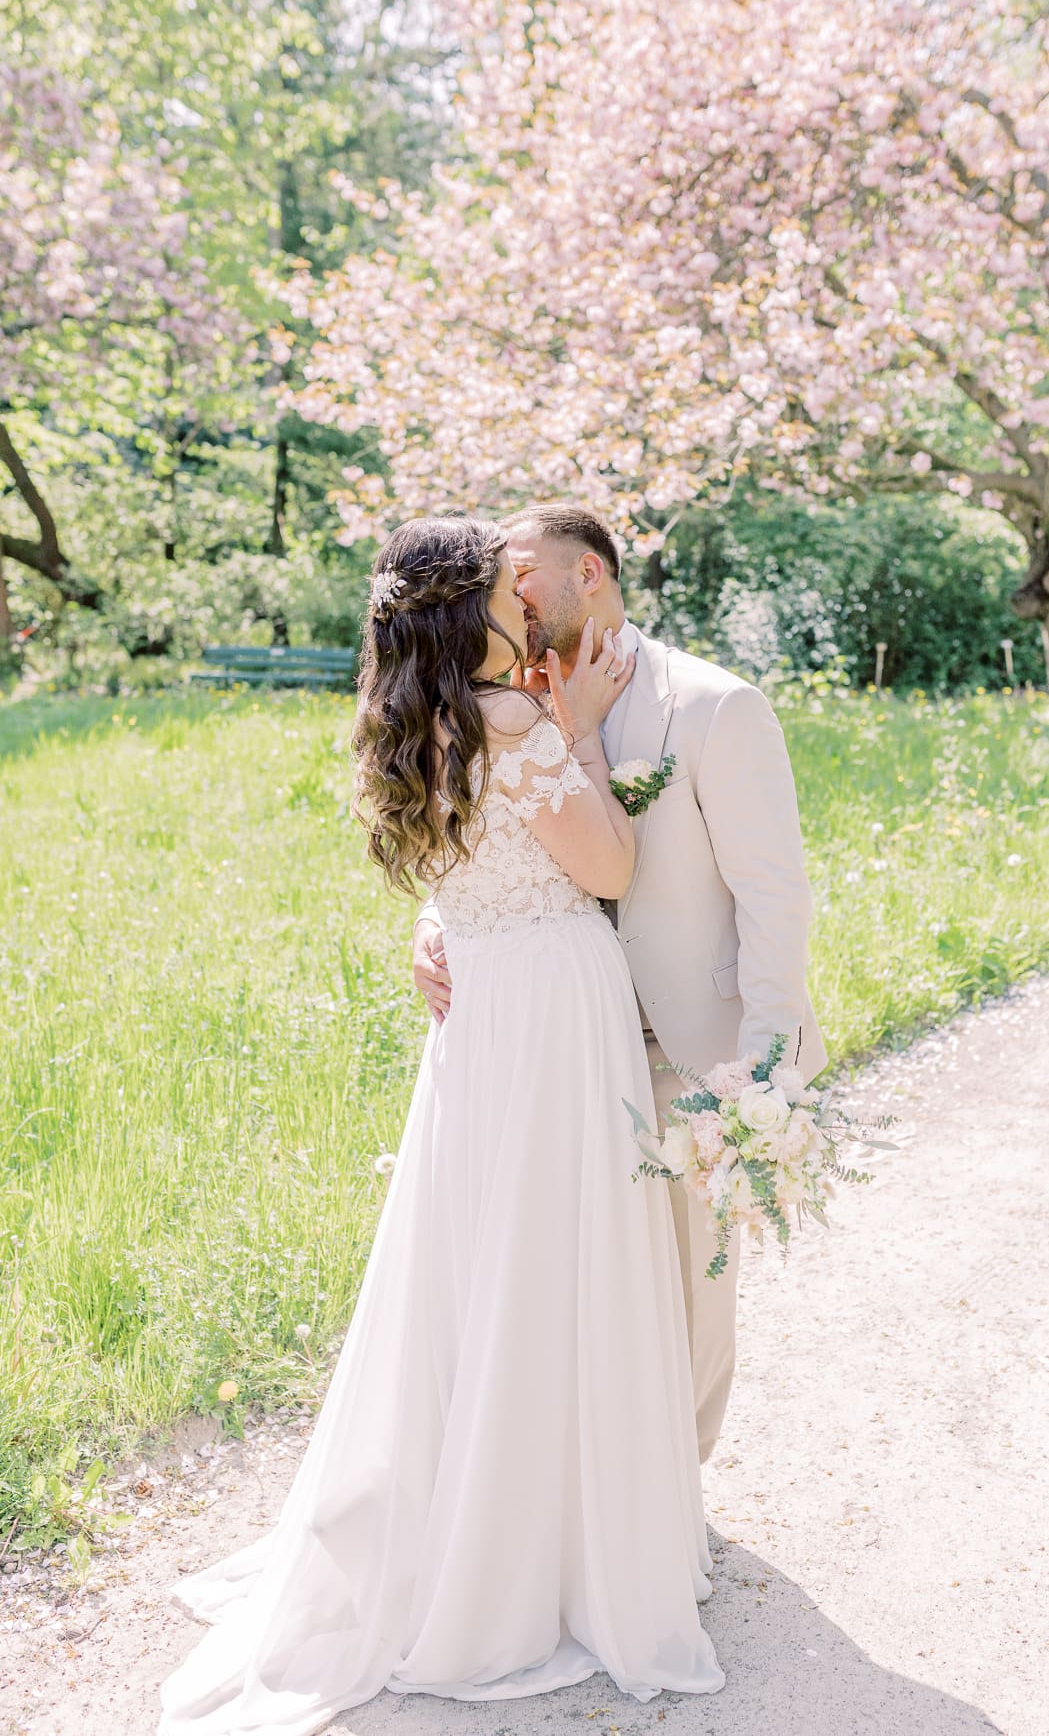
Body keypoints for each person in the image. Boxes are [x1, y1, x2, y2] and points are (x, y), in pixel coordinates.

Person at [157, 513, 724, 1736]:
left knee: (481, 1264)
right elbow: (612, 870)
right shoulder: (518, 727)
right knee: (552, 1260)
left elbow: (451, 877)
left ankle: (484, 1505)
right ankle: (542, 1551)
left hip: (482, 1015)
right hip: (550, 1008)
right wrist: (575, 735)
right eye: (516, 587)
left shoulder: (420, 722)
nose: (534, 600)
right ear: (478, 608)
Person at [414, 504, 825, 1466]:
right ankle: (586, 1501)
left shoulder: (714, 706)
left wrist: (760, 1074)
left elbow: (776, 899)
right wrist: (432, 926)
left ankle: (676, 1499)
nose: (504, 591)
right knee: (567, 1285)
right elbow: (485, 853)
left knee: (687, 1290)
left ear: (588, 572)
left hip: (685, 1049)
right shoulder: (496, 701)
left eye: (520, 571)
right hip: (557, 1051)